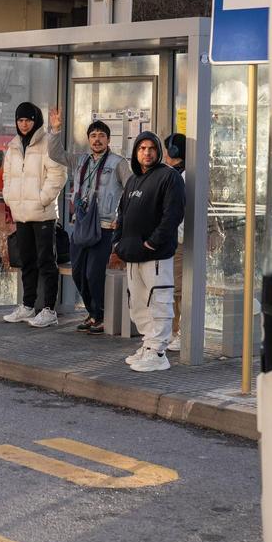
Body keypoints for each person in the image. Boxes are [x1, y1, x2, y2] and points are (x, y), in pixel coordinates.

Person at [46, 110, 131, 334]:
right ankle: (93, 313)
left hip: (104, 227)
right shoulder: (80, 160)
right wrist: (55, 130)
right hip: (81, 225)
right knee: (78, 273)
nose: (97, 139)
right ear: (88, 139)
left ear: (108, 139)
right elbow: (55, 154)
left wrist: (120, 220)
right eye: (93, 135)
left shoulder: (118, 163)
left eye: (101, 135)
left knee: (94, 273)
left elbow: (131, 190)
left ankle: (101, 315)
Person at [113, 132, 186, 372]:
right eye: (142, 148)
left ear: (159, 151)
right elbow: (122, 214)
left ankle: (158, 352)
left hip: (156, 255)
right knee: (138, 304)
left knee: (159, 302)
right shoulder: (134, 180)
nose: (147, 152)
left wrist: (152, 243)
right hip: (132, 255)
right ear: (136, 152)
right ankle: (148, 344)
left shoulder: (169, 177)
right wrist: (118, 243)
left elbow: (172, 215)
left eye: (151, 148)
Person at [1, 102, 68, 328]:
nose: (24, 124)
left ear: (36, 120)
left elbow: (58, 174)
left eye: (28, 120)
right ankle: (28, 305)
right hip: (21, 213)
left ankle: (49, 310)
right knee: (27, 261)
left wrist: (42, 199)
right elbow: (7, 176)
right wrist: (9, 199)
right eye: (20, 120)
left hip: (43, 214)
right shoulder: (13, 146)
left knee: (47, 262)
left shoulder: (48, 141)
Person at [163, 133, 186, 352]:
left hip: (180, 239)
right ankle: (173, 330)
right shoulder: (175, 174)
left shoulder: (183, 176)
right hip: (173, 238)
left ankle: (180, 332)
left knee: (179, 289)